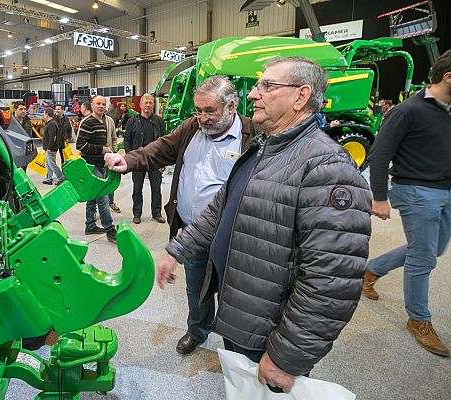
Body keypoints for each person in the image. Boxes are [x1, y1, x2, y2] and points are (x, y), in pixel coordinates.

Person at [157, 57, 371, 392]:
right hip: (245, 314)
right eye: (258, 85)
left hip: (271, 331)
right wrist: (178, 251)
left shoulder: (326, 166)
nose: (254, 94)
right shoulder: (264, 148)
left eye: (267, 86)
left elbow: (331, 280)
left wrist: (288, 356)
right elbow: (220, 210)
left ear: (300, 97)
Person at [105, 76, 256, 355]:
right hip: (191, 232)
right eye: (198, 111)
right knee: (196, 288)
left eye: (210, 111)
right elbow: (160, 149)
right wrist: (127, 160)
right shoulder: (191, 129)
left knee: (233, 294)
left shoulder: (253, 136)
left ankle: (234, 348)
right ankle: (197, 331)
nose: (202, 118)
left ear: (232, 106)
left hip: (231, 237)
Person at [364, 50, 451, 357]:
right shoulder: (408, 110)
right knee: (424, 259)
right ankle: (419, 319)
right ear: (448, 77)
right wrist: (379, 197)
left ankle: (371, 270)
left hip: (444, 190)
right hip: (416, 191)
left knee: (432, 249)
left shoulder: (447, 111)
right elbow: (380, 154)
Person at [76, 95, 117, 244]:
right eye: (98, 103)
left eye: (103, 104)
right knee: (103, 197)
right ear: (92, 105)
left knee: (92, 197)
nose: (101, 106)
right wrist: (101, 150)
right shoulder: (87, 122)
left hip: (102, 165)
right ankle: (111, 230)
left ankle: (90, 225)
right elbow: (80, 145)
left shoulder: (104, 121)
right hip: (91, 166)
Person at [122, 93, 166, 224]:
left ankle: (156, 213)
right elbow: (127, 140)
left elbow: (164, 142)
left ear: (153, 105)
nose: (148, 105)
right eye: (145, 102)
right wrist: (130, 158)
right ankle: (137, 213)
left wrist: (163, 160)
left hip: (155, 160)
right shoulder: (132, 121)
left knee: (156, 188)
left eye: (150, 102)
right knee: (137, 188)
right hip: (138, 160)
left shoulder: (159, 121)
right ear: (140, 105)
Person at [41, 108, 64, 185]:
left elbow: (53, 137)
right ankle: (48, 179)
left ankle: (61, 177)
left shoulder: (51, 124)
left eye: (44, 114)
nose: (43, 116)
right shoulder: (50, 123)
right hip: (48, 148)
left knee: (52, 164)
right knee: (48, 164)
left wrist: (49, 148)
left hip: (51, 149)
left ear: (47, 114)